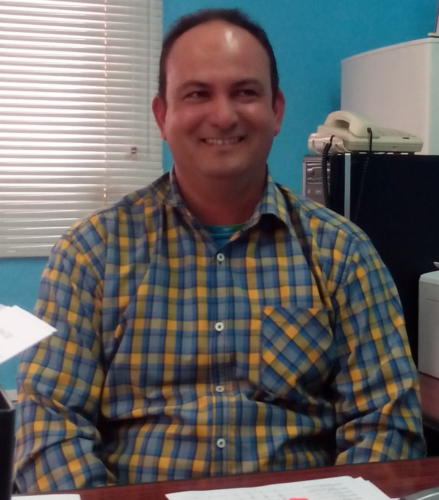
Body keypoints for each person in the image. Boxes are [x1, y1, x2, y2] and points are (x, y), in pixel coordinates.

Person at [15, 8, 425, 493]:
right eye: (197, 94)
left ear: (276, 110)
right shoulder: (91, 254)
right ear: (162, 116)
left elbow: (386, 426)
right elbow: (50, 428)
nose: (224, 115)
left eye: (245, 92)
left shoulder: (343, 254)